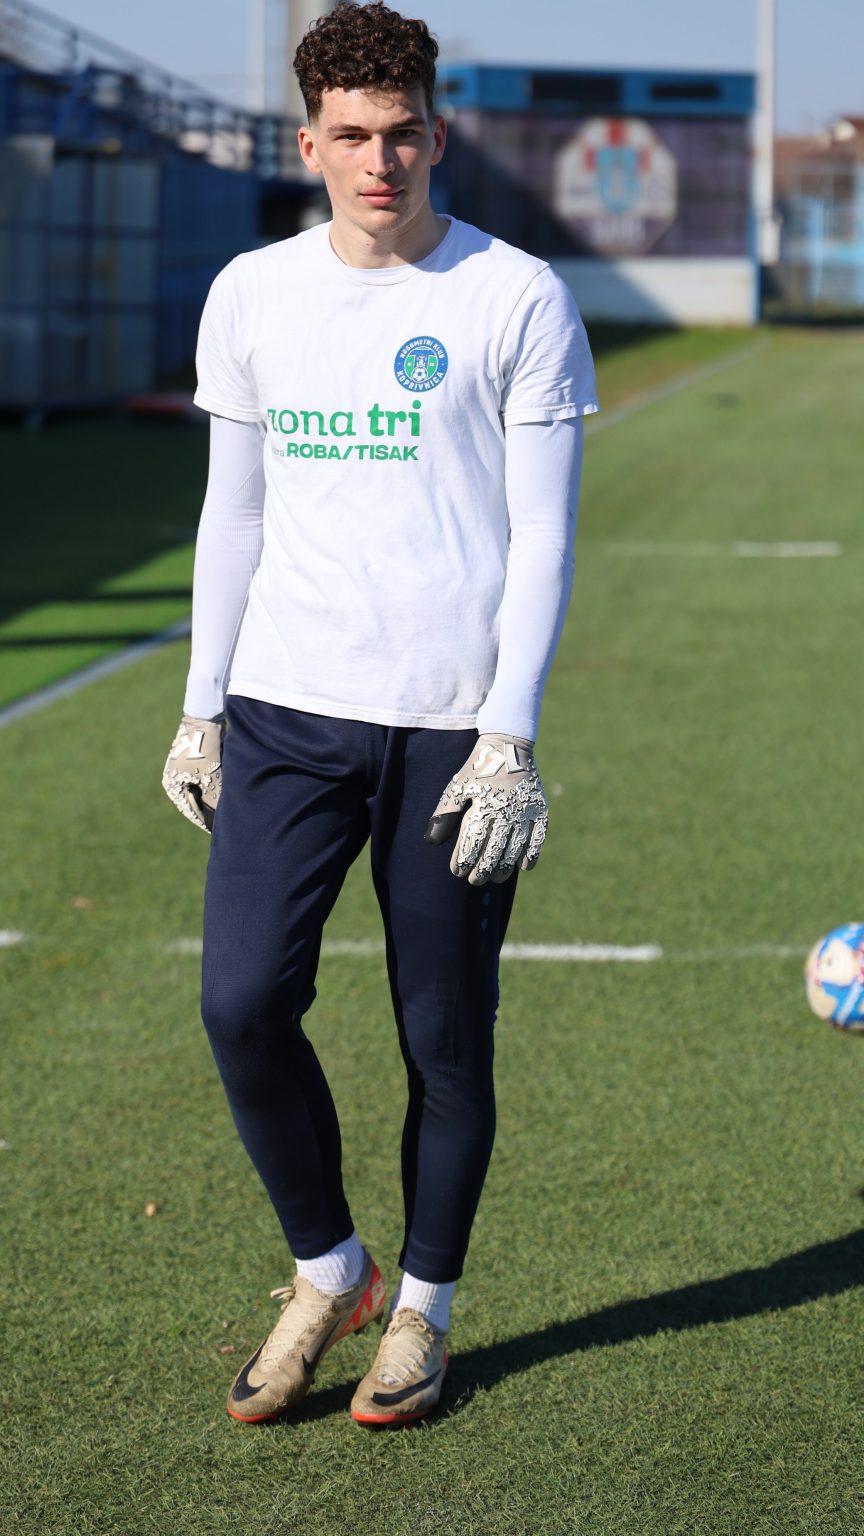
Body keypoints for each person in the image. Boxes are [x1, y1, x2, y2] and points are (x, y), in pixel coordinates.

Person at [162, 0, 597, 1428]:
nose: (378, 160)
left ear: (437, 132)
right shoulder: (253, 293)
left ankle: (421, 1309)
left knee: (444, 1038)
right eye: (350, 134)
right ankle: (326, 1266)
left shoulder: (515, 296)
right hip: (288, 712)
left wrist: (510, 735)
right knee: (241, 1004)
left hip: (451, 730)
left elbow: (544, 535)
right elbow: (232, 517)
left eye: (401, 132)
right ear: (309, 143)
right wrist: (201, 710)